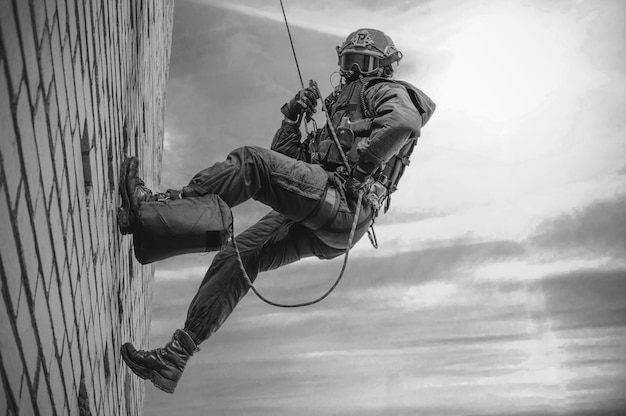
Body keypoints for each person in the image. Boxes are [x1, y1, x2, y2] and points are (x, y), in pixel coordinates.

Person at [118, 28, 436, 393]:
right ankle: (174, 357)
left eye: (361, 62)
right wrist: (292, 119)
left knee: (251, 163)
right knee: (238, 255)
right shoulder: (338, 108)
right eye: (347, 62)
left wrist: (360, 171)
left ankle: (157, 207)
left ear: (382, 65)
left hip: (344, 204)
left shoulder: (385, 90)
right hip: (328, 216)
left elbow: (404, 122)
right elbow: (287, 165)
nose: (352, 71)